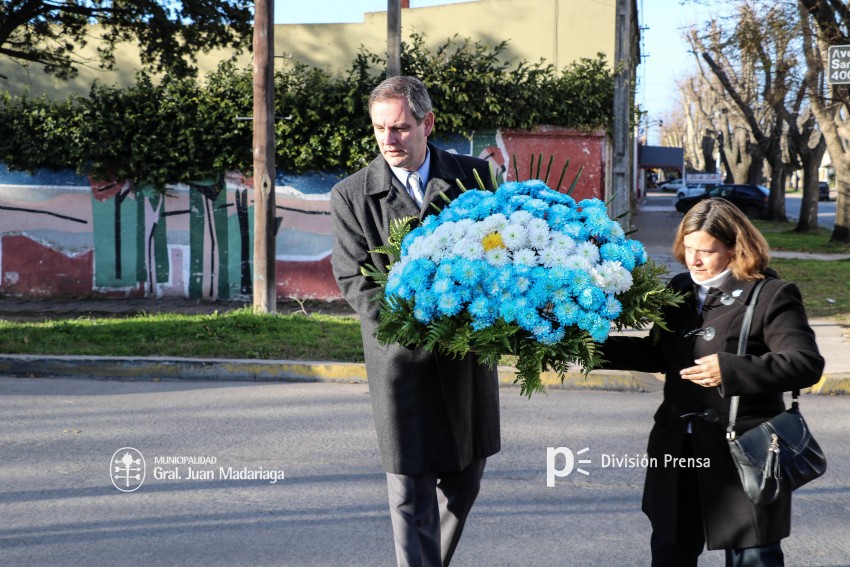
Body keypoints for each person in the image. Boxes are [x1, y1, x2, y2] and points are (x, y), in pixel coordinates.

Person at [330, 75, 501, 567]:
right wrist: (418, 327)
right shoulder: (352, 194)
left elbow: (506, 258)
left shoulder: (476, 178)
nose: (389, 140)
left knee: (464, 483)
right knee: (408, 491)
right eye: (380, 129)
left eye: (401, 128)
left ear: (427, 123)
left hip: (466, 359)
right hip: (400, 363)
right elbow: (353, 280)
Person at [600, 198, 824, 567]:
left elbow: (805, 363)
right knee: (670, 550)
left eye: (705, 251)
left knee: (754, 557)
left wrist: (731, 370)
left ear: (736, 249)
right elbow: (658, 354)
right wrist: (584, 346)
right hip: (677, 445)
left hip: (744, 451)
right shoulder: (680, 288)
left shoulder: (770, 294)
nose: (693, 260)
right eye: (687, 248)